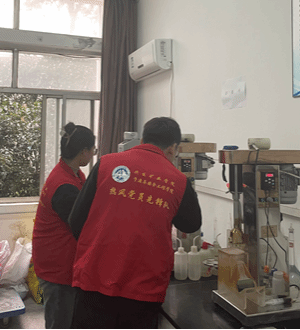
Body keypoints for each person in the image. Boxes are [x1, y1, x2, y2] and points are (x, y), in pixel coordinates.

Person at [68, 116, 202, 329]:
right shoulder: (178, 180)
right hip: (143, 291)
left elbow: (75, 220)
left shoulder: (106, 163)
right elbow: (191, 225)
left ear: (142, 140)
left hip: (94, 281)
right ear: (173, 148)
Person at [32, 122, 96, 329]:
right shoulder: (64, 186)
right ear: (84, 152)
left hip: (59, 257)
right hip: (57, 265)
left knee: (68, 316)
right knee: (59, 320)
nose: (93, 154)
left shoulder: (73, 173)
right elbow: (82, 226)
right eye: (92, 150)